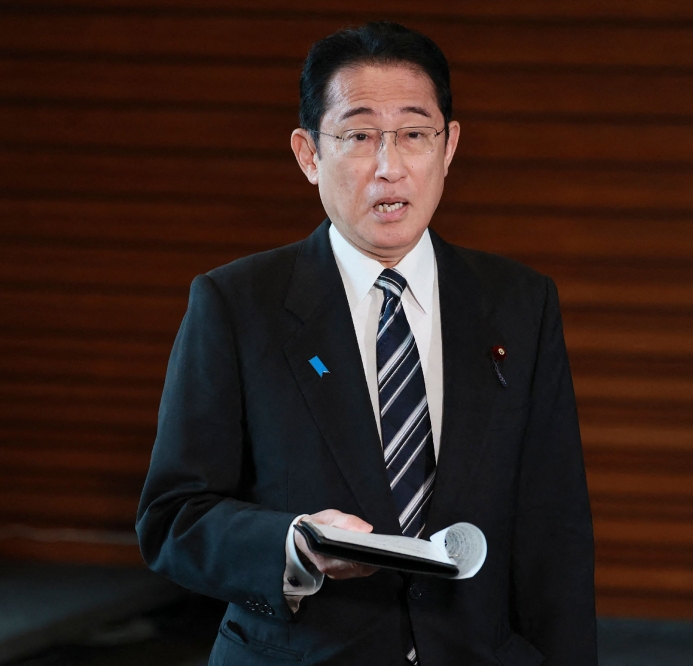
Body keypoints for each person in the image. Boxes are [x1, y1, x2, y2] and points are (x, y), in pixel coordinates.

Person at [136, 21, 596, 666]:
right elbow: (173, 518)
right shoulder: (237, 304)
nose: (390, 166)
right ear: (308, 154)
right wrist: (295, 545)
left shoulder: (520, 302)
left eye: (414, 133)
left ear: (449, 146)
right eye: (358, 135)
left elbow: (557, 531)